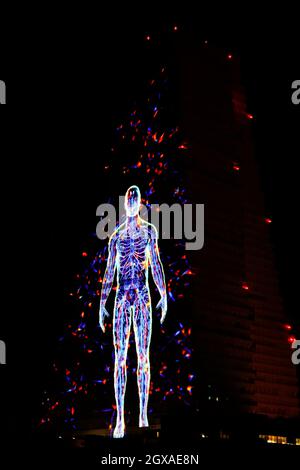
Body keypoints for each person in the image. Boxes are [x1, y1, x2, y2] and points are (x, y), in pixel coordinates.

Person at [99, 185, 167, 438]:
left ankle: (142, 415)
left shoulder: (149, 232)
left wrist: (163, 294)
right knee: (119, 360)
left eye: (134, 198)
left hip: (141, 294)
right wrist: (102, 303)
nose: (131, 201)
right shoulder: (115, 237)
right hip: (121, 297)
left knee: (143, 357)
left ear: (139, 203)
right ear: (125, 203)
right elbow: (108, 272)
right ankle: (120, 421)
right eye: (128, 198)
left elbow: (156, 263)